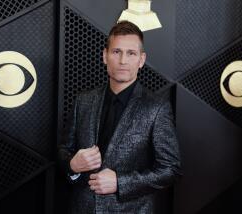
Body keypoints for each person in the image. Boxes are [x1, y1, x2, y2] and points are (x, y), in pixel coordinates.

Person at [58, 20, 181, 213]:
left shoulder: (157, 108)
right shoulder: (83, 100)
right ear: (105, 56)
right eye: (116, 52)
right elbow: (64, 150)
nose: (123, 60)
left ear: (141, 60)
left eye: (131, 53)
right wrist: (72, 164)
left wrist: (120, 182)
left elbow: (170, 169)